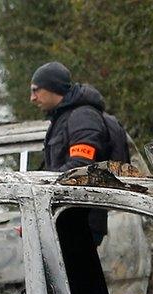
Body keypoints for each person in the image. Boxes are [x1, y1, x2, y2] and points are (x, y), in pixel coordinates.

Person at [31, 61, 130, 243]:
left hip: (82, 219)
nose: (32, 98)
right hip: (70, 217)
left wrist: (40, 186)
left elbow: (81, 166)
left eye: (36, 90)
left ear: (52, 87)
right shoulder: (64, 118)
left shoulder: (82, 116)